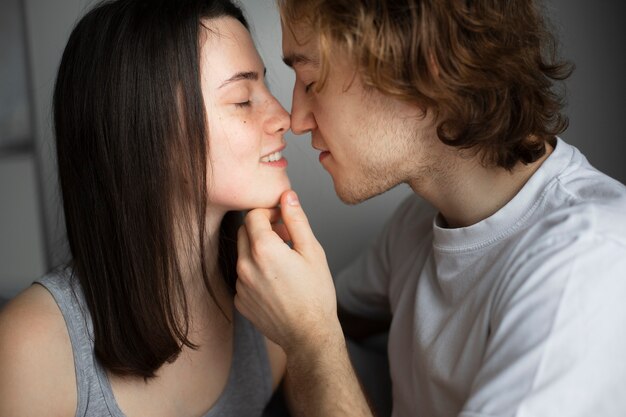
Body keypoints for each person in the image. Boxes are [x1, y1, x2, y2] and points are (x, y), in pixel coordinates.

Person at [234, 0, 626, 416]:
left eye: (311, 81)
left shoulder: (586, 272)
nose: (296, 120)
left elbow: (316, 331)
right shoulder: (418, 223)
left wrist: (312, 341)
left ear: (421, 72)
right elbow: (328, 314)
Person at [0, 0, 293, 416]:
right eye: (244, 99)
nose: (285, 116)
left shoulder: (271, 324)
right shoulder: (32, 348)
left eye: (265, 88)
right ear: (144, 133)